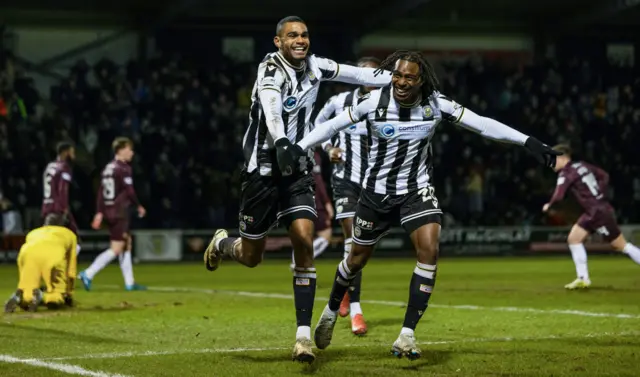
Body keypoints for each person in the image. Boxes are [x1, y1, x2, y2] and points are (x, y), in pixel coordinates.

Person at [294, 50, 560, 359]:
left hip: (415, 191)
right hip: (375, 194)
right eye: (397, 75)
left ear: (422, 81)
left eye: (409, 77)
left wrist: (527, 141)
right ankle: (329, 311)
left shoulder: (436, 105)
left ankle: (406, 335)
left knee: (430, 250)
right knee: (356, 260)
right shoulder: (373, 103)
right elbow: (331, 126)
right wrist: (298, 147)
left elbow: (482, 124)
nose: (401, 82)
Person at [202, 15, 391, 363]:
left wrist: (404, 79)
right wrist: (283, 141)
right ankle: (224, 244)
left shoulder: (318, 67)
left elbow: (361, 74)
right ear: (278, 42)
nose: (300, 40)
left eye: (304, 35)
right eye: (292, 36)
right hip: (262, 170)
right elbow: (272, 109)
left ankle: (302, 337)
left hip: (298, 170)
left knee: (304, 239)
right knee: (251, 257)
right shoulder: (270, 71)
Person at [313, 56, 381, 335]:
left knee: (360, 248)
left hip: (373, 181)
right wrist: (329, 149)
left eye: (372, 75)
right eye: (361, 75)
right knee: (353, 239)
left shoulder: (387, 104)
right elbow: (317, 126)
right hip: (344, 180)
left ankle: (342, 287)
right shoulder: (338, 102)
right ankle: (356, 311)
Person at [542, 144, 640, 289]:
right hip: (594, 211)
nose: (550, 163)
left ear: (562, 157)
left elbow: (559, 195)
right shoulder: (582, 165)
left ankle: (583, 278)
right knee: (574, 239)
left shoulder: (566, 173)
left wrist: (549, 205)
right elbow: (604, 176)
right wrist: (600, 194)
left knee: (621, 245)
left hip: (597, 213)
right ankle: (583, 279)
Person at [78, 137, 147, 291]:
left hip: (109, 210)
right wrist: (138, 206)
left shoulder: (108, 168)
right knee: (116, 248)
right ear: (120, 150)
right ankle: (88, 273)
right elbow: (129, 190)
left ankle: (130, 283)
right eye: (129, 149)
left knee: (126, 243)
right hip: (119, 212)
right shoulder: (123, 168)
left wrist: (100, 212)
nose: (132, 153)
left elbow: (101, 193)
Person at [4, 214, 77, 313]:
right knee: (56, 296)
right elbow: (71, 269)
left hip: (26, 254)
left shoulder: (33, 232)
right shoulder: (69, 234)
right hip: (53, 254)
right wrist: (68, 293)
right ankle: (44, 296)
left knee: (28, 293)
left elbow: (30, 254)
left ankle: (21, 297)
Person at [290, 148, 334, 269]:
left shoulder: (297, 151)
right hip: (315, 202)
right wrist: (327, 202)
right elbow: (317, 181)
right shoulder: (314, 155)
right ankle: (299, 258)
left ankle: (299, 258)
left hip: (297, 200)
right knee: (325, 235)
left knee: (305, 233)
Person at [42, 141, 81, 255]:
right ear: (65, 152)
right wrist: (64, 208)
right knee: (71, 242)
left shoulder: (50, 166)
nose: (74, 156)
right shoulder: (64, 167)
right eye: (72, 152)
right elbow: (62, 189)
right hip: (58, 209)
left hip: (47, 207)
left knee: (56, 241)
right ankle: (58, 268)